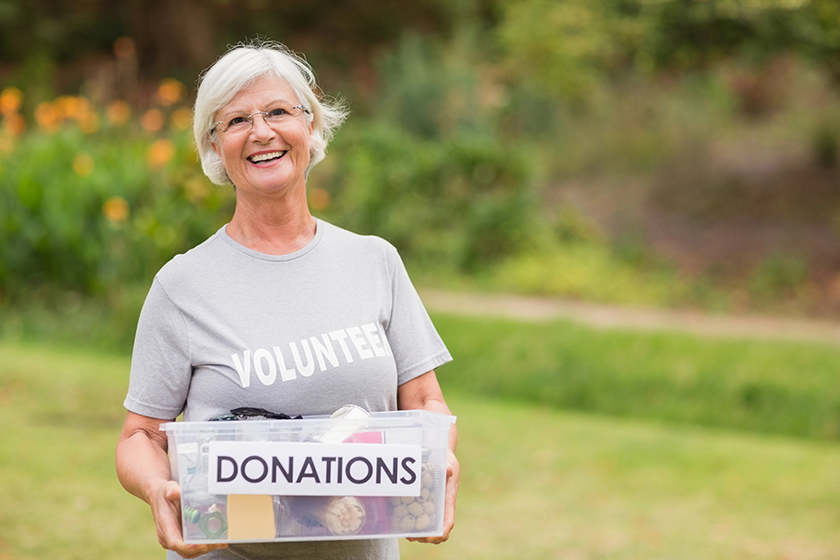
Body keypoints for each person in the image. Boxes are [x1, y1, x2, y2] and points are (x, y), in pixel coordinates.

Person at [115, 40, 459, 560]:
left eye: (278, 111)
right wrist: (159, 489)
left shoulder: (375, 262)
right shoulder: (181, 285)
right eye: (235, 121)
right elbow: (139, 437)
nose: (261, 132)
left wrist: (441, 458)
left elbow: (425, 402)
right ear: (214, 146)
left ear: (311, 127)